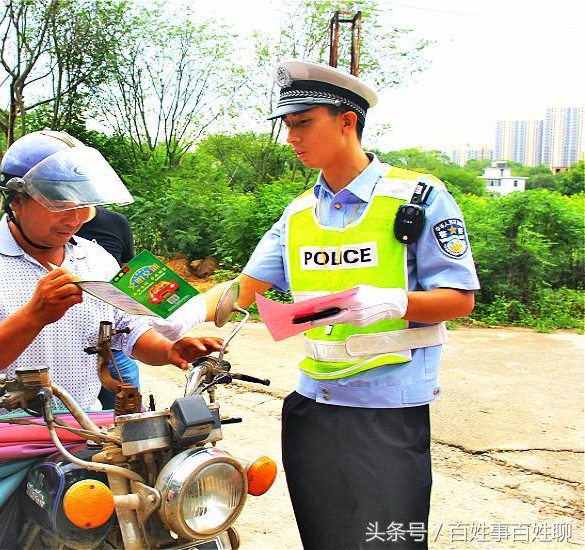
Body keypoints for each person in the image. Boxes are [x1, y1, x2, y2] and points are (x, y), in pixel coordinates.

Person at [157, 60, 479, 549]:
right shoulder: (299, 212)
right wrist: (171, 317)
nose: (292, 137)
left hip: (386, 412)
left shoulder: (417, 197)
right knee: (325, 539)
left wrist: (391, 302)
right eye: (288, 125)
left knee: (387, 542)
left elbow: (459, 299)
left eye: (303, 123)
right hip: (312, 408)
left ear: (347, 121)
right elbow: (242, 291)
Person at [0, 130, 223, 547]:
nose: (74, 217)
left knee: (140, 525)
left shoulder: (95, 258)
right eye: (59, 203)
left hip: (83, 431)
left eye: (83, 204)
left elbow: (126, 333)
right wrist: (34, 316)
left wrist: (170, 350)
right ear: (16, 200)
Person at [76, 206, 140, 408]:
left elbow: (127, 274)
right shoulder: (42, 228)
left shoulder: (115, 223)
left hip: (111, 337)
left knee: (129, 405)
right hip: (69, 341)